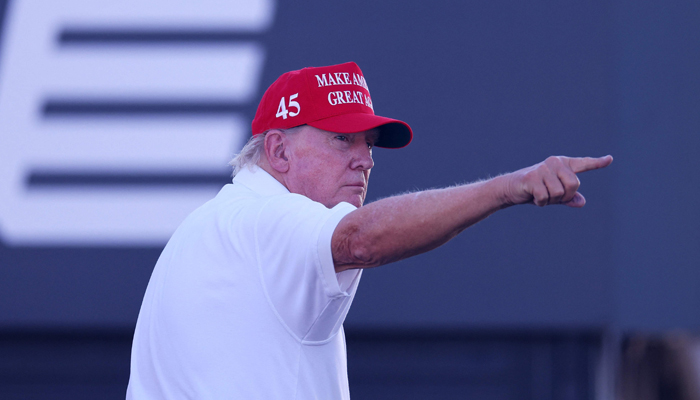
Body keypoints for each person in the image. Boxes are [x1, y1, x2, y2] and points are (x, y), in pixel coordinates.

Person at [126, 61, 612, 399]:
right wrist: (509, 187)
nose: (365, 159)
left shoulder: (217, 224)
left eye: (369, 143)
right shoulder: (259, 219)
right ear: (277, 152)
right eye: (342, 139)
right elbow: (360, 239)